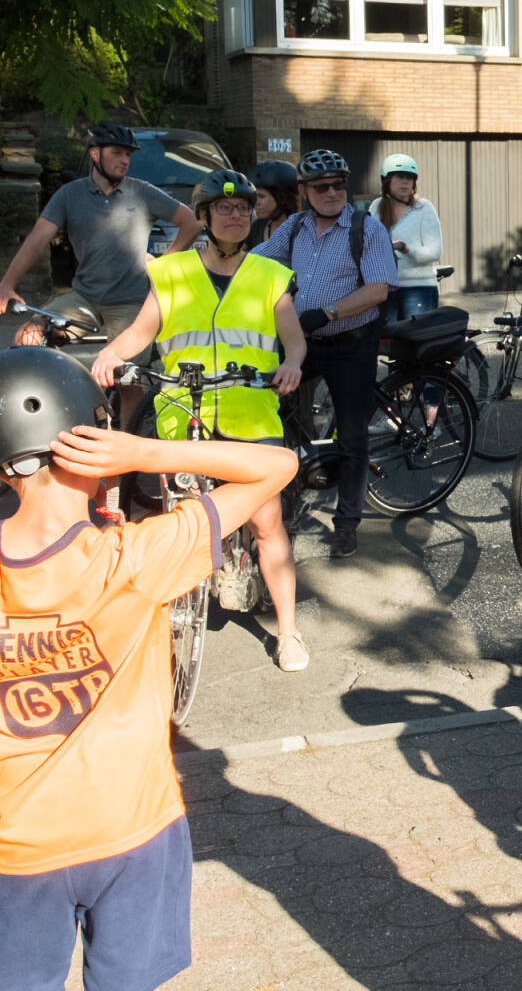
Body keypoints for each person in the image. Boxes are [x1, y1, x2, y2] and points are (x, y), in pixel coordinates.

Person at [0, 346, 296, 991]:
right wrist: (147, 451)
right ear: (87, 445)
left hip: (16, 842)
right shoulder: (138, 555)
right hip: (130, 831)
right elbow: (274, 466)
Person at [91, 170, 309, 671]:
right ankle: (162, 620)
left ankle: (289, 632)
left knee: (267, 522)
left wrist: (293, 363)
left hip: (250, 413)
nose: (236, 215)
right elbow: (141, 333)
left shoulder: (271, 275)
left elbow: (293, 339)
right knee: (176, 521)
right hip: (182, 413)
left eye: (243, 208)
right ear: (205, 217)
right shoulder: (171, 272)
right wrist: (110, 354)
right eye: (224, 208)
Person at [254, 149, 397, 559]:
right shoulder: (295, 227)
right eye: (322, 187)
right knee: (273, 411)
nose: (332, 193)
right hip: (303, 341)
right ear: (303, 191)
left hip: (351, 344)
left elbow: (379, 288)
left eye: (338, 185)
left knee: (352, 435)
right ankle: (286, 493)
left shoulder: (367, 229)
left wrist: (329, 311)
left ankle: (347, 524)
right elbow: (254, 265)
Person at [0, 124, 203, 394]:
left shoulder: (141, 192)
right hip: (84, 297)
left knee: (126, 380)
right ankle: (51, 403)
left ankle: (124, 421)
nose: (124, 160)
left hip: (131, 300)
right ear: (95, 154)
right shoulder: (69, 195)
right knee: (28, 337)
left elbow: (192, 222)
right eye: (117, 153)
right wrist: (7, 285)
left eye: (128, 155)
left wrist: (163, 264)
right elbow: (37, 239)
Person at [375, 154, 444, 322]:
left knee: (418, 337)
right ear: (387, 180)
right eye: (400, 176)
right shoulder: (376, 207)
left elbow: (435, 252)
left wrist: (407, 249)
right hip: (384, 288)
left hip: (418, 288)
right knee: (387, 337)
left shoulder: (424, 208)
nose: (406, 182)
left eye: (410, 177)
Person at [249, 161, 301, 250]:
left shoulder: (303, 231)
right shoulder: (257, 227)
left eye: (261, 196)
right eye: (254, 196)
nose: (256, 202)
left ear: (283, 198)